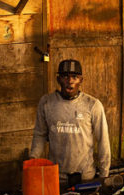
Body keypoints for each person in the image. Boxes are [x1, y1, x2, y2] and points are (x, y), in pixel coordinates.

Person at [29, 58, 111, 188]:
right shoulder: (46, 103)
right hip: (55, 176)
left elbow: (103, 140)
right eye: (65, 76)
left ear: (81, 80)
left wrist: (104, 174)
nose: (70, 81)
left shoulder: (93, 105)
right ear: (58, 79)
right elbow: (39, 134)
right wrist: (33, 160)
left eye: (75, 77)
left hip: (85, 177)